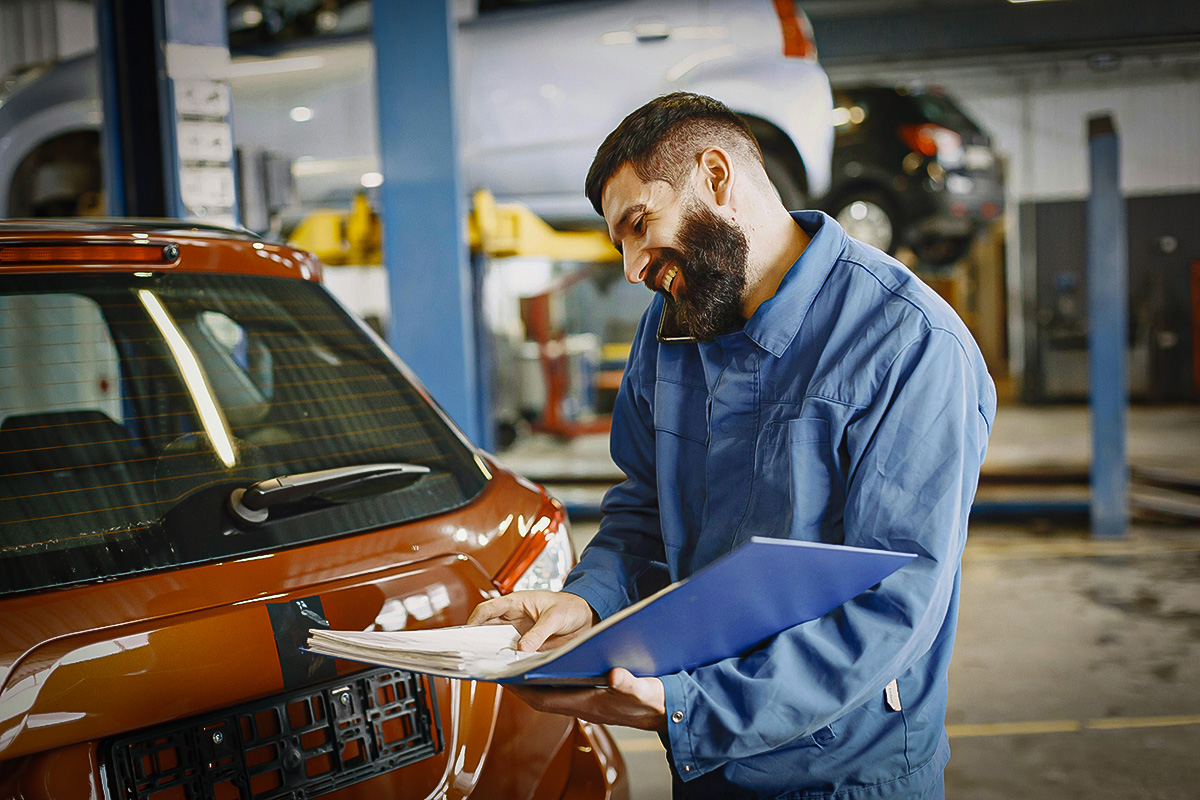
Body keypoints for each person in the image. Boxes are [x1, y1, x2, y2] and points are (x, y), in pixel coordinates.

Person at [469, 92, 996, 799]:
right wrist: (586, 603)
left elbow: (894, 603)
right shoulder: (674, 328)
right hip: (706, 762)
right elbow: (643, 507)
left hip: (843, 775)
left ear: (716, 177)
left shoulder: (908, 344)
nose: (630, 267)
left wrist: (697, 708)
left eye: (638, 224)